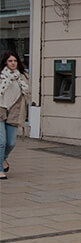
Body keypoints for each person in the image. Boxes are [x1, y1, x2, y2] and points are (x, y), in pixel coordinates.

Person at [0, 51, 30, 180]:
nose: (13, 63)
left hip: (14, 111)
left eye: (15, 61)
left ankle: (3, 159)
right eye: (10, 61)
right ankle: (0, 169)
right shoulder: (1, 76)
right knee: (2, 142)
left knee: (11, 143)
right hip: (0, 110)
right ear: (5, 62)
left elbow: (27, 94)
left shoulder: (22, 77)